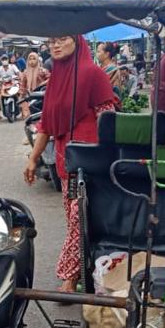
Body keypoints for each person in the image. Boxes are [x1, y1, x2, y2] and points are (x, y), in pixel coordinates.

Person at [23, 35, 117, 292]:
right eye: (51, 41)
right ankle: (88, 270)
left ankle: (69, 277)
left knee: (80, 219)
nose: (55, 45)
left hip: (91, 162)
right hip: (67, 162)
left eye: (62, 39)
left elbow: (107, 118)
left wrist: (107, 157)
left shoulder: (93, 74)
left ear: (77, 42)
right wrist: (33, 158)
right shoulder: (55, 80)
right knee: (75, 220)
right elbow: (47, 125)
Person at [18, 50, 49, 124]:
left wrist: (42, 84)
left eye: (34, 59)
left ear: (37, 60)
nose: (32, 61)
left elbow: (50, 79)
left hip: (41, 96)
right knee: (31, 117)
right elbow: (23, 85)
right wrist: (21, 96)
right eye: (30, 59)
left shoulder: (42, 71)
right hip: (30, 96)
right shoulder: (25, 72)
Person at [0, 55, 21, 120]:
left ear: (8, 60)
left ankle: (23, 110)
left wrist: (19, 76)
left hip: (13, 83)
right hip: (3, 84)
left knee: (21, 94)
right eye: (3, 59)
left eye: (6, 59)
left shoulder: (13, 66)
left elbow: (18, 73)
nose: (4, 61)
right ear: (1, 61)